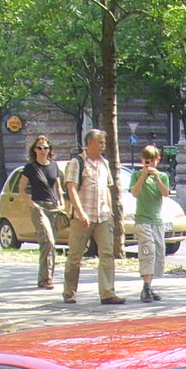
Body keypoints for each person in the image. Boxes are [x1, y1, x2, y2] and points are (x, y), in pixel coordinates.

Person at [61, 128, 125, 306]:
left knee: (107, 253)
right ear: (90, 143)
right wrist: (80, 212)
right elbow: (71, 188)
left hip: (103, 216)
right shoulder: (77, 162)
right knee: (75, 255)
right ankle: (69, 292)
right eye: (100, 143)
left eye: (104, 143)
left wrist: (111, 213)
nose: (103, 146)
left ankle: (107, 293)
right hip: (83, 216)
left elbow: (107, 189)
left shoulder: (104, 163)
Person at [16, 136, 63, 290]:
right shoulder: (30, 168)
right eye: (40, 148)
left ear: (50, 150)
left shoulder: (54, 166)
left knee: (51, 244)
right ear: (34, 150)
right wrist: (33, 205)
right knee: (47, 240)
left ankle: (46, 277)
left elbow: (58, 187)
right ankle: (46, 278)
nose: (43, 150)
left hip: (54, 207)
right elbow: (22, 190)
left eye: (45, 148)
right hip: (39, 208)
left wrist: (61, 203)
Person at [129, 144, 172, 302]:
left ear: (157, 160)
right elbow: (134, 192)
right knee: (148, 252)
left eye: (152, 161)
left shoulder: (163, 176)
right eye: (146, 161)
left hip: (157, 221)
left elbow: (165, 193)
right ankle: (146, 288)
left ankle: (149, 285)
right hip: (142, 220)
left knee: (158, 254)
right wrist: (143, 175)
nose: (149, 164)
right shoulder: (136, 175)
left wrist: (156, 177)